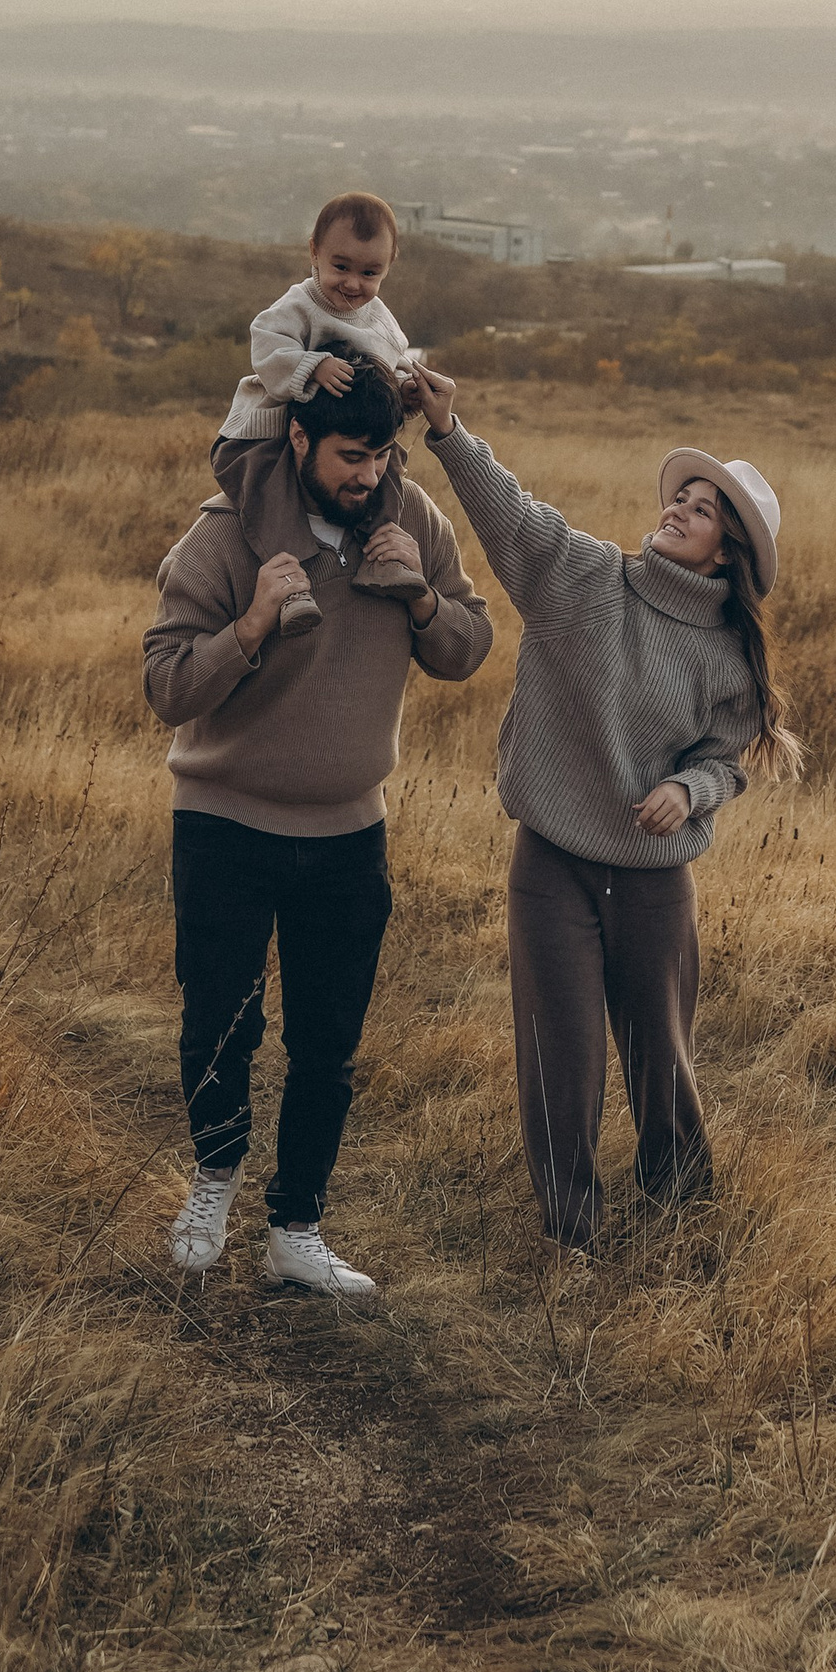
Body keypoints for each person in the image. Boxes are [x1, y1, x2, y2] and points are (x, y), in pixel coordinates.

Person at [410, 359, 803, 1251]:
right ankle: (571, 1232)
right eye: (682, 497)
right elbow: (513, 514)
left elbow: (728, 760)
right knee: (563, 1059)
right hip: (551, 863)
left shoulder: (728, 657)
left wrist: (686, 788)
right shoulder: (584, 580)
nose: (678, 510)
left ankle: (681, 1215)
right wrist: (445, 431)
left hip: (656, 884)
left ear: (727, 551)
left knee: (661, 1059)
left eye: (702, 510)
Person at [142, 359, 491, 1297]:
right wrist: (252, 625)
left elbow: (468, 647)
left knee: (328, 1042)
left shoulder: (412, 520)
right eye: (348, 455)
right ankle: (212, 1186)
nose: (367, 475)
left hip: (348, 836)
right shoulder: (225, 536)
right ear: (296, 439)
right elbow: (166, 685)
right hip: (224, 824)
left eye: (381, 455)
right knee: (220, 1024)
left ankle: (296, 1229)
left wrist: (420, 596)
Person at [215, 191, 422, 632]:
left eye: (370, 272)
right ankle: (291, 584)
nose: (352, 284)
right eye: (340, 267)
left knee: (388, 469)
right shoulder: (300, 305)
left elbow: (394, 363)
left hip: (339, 436)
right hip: (264, 434)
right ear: (314, 252)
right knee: (269, 497)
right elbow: (266, 346)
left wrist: (403, 392)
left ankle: (383, 556)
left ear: (388, 268)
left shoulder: (380, 320)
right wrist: (312, 364)